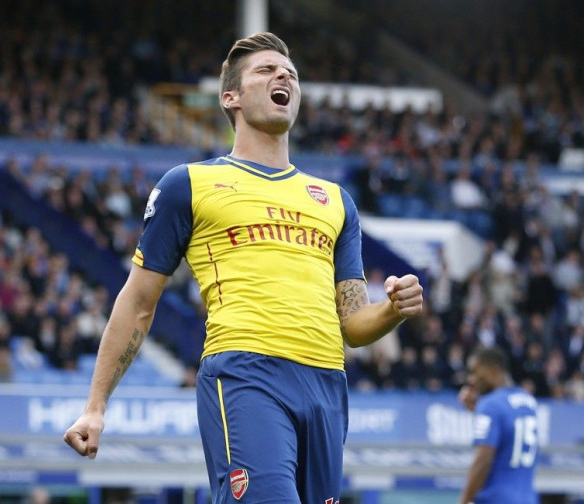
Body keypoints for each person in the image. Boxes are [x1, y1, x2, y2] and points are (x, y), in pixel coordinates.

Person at [63, 32, 424, 504]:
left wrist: (393, 309)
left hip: (326, 386)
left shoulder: (337, 202)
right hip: (246, 373)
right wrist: (95, 407)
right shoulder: (190, 185)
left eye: (290, 73)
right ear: (229, 97)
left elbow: (353, 326)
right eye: (267, 70)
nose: (284, 77)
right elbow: (137, 301)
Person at [458, 347, 539, 504]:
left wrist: (464, 500)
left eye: (475, 372)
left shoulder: (490, 405)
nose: (472, 379)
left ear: (493, 371)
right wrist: (477, 411)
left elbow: (483, 460)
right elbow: (507, 437)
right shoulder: (528, 401)